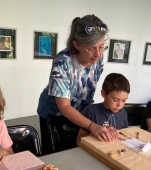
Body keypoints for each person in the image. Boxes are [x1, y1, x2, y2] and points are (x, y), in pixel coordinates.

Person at [37, 14, 118, 152]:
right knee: (54, 154)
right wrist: (92, 125)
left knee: (78, 148)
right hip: (54, 114)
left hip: (80, 113)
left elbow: (88, 89)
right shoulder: (63, 61)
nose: (98, 54)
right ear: (76, 44)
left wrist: (95, 120)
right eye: (91, 48)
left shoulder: (98, 58)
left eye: (101, 46)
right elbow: (64, 107)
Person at [77, 73, 130, 145]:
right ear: (103, 94)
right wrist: (100, 134)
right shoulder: (91, 111)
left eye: (124, 100)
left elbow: (124, 135)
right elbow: (79, 140)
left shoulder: (123, 113)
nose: (119, 105)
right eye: (115, 100)